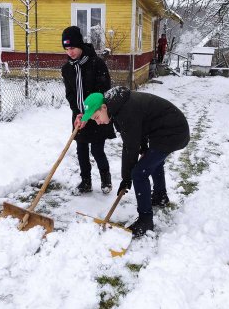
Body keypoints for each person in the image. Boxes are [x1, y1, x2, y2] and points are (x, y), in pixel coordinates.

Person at [76, 87, 190, 237]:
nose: (97, 122)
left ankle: (145, 220)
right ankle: (160, 196)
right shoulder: (118, 105)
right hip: (165, 130)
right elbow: (139, 127)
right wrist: (143, 148)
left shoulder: (125, 111)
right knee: (152, 161)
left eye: (97, 117)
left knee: (138, 173)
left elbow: (130, 146)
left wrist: (127, 178)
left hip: (173, 132)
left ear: (104, 107)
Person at [61, 26, 116, 194]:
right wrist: (77, 111)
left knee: (97, 150)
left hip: (97, 115)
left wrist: (89, 112)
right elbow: (70, 93)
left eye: (73, 48)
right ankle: (86, 181)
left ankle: (106, 179)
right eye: (67, 49)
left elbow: (103, 90)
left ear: (81, 45)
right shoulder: (67, 69)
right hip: (78, 116)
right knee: (81, 150)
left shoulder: (96, 63)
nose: (70, 52)